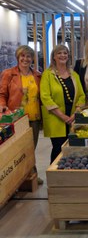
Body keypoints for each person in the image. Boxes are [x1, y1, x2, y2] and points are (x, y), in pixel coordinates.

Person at [0, 45, 42, 184]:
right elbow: (2, 94)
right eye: (22, 56)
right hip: (17, 118)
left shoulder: (37, 75)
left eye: (28, 56)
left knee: (31, 147)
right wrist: (2, 105)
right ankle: (17, 178)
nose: (25, 59)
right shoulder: (8, 73)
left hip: (34, 117)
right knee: (17, 149)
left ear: (32, 59)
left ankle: (31, 174)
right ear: (18, 57)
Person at [40, 44, 85, 163]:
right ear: (54, 56)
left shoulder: (74, 75)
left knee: (72, 147)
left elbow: (81, 96)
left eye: (65, 53)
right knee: (58, 148)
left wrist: (75, 114)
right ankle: (54, 175)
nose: (62, 55)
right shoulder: (47, 74)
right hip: (55, 118)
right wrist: (62, 116)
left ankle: (69, 173)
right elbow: (45, 97)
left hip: (72, 116)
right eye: (59, 53)